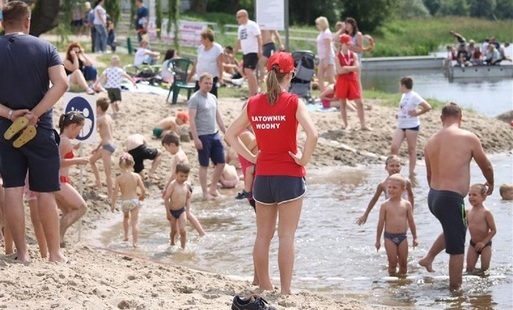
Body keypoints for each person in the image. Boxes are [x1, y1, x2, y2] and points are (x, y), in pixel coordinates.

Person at [225, 52, 318, 295]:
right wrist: (304, 159)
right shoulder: (294, 102)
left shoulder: (254, 102)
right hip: (289, 174)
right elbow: (313, 135)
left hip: (263, 177)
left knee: (262, 236)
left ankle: (265, 284)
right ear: (291, 74)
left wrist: (252, 157)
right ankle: (286, 290)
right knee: (286, 236)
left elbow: (230, 134)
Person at [0, 1, 68, 262]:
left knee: (13, 189)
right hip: (39, 129)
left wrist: (9, 114)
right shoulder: (45, 48)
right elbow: (61, 84)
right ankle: (54, 254)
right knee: (45, 192)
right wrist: (35, 113)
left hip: (6, 129)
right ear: (27, 22)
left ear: (4, 23)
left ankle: (23, 254)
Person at [419, 102, 494, 292]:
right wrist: (490, 183)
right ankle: (456, 290)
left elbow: (428, 175)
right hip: (451, 199)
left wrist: (439, 196)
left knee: (454, 229)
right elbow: (486, 165)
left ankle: (428, 258)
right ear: (460, 117)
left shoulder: (431, 141)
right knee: (457, 248)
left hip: (433, 197)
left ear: (441, 119)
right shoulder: (468, 137)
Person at [188, 72, 227, 199]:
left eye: (210, 83)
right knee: (204, 164)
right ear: (200, 83)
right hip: (202, 135)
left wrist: (226, 132)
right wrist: (196, 138)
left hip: (214, 134)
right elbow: (192, 120)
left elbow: (218, 117)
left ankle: (213, 188)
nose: (208, 85)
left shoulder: (213, 97)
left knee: (221, 162)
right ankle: (205, 192)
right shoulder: (195, 98)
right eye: (206, 83)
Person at [161, 133, 206, 237]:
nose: (167, 151)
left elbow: (174, 174)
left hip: (182, 186)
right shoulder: (181, 153)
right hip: (185, 185)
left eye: (167, 148)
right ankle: (200, 233)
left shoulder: (178, 156)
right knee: (184, 211)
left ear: (172, 145)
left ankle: (199, 233)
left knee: (179, 210)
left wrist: (167, 187)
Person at [55, 111, 89, 247]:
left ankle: (58, 240)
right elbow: (57, 162)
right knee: (81, 208)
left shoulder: (61, 139)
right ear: (74, 126)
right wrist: (78, 160)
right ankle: (57, 238)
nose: (80, 133)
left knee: (68, 211)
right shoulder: (65, 141)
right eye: (80, 128)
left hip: (60, 181)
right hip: (59, 181)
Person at [375, 174, 418, 276]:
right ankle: (392, 283)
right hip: (389, 237)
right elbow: (380, 223)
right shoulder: (385, 205)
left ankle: (402, 284)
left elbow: (411, 221)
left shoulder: (406, 204)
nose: (391, 190)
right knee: (392, 263)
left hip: (403, 237)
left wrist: (415, 237)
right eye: (389, 187)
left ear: (403, 189)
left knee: (403, 264)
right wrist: (378, 240)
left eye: (394, 187)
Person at [390, 76, 431, 177]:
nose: (399, 87)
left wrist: (417, 113)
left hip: (412, 125)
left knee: (411, 149)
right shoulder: (404, 95)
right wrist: (398, 114)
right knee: (394, 147)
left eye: (400, 85)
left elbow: (428, 107)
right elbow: (404, 108)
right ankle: (394, 169)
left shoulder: (414, 95)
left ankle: (411, 172)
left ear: (403, 85)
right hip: (401, 124)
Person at [356, 155, 414, 225]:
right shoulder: (383, 185)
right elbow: (374, 199)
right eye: (392, 166)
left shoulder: (406, 182)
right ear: (386, 168)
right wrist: (366, 214)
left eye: (397, 166)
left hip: (403, 212)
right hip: (390, 213)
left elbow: (411, 195)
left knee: (403, 233)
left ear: (401, 167)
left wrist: (411, 212)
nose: (395, 168)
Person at [334, 34, 370, 131]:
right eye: (347, 44)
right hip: (342, 81)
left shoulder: (353, 55)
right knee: (343, 103)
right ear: (342, 44)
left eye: (349, 44)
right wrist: (350, 69)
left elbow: (357, 68)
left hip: (352, 80)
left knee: (360, 103)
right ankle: (346, 124)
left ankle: (363, 125)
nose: (349, 45)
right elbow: (339, 71)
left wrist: (346, 68)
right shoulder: (337, 56)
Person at [111, 153, 146, 248]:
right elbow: (143, 189)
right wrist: (142, 196)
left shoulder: (118, 178)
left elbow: (115, 193)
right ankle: (135, 243)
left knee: (126, 217)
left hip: (124, 202)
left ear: (120, 165)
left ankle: (126, 236)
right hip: (134, 201)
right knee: (134, 222)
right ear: (133, 163)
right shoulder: (137, 176)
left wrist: (113, 204)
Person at [466, 183, 497, 273]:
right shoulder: (467, 211)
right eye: (469, 195)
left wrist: (483, 243)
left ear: (484, 197)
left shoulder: (486, 212)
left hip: (485, 245)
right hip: (473, 245)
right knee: (469, 270)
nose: (471, 197)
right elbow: (462, 225)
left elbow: (494, 230)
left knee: (484, 271)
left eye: (474, 195)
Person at [89, 98, 115, 198]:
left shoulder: (99, 120)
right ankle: (98, 182)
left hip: (107, 148)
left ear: (99, 108)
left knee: (108, 173)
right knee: (92, 160)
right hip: (108, 145)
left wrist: (78, 144)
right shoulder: (108, 117)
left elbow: (91, 133)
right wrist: (97, 147)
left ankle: (110, 195)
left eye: (96, 107)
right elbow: (106, 135)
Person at [187, 28, 224, 97]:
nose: (200, 40)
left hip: (211, 78)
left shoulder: (217, 48)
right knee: (197, 97)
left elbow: (220, 64)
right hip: (200, 77)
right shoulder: (200, 48)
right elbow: (197, 62)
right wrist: (190, 75)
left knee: (211, 97)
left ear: (207, 39)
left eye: (202, 39)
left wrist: (220, 78)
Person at [234, 9, 262, 97]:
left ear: (245, 16)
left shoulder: (252, 25)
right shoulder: (240, 28)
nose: (237, 19)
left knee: (248, 70)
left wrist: (260, 49)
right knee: (246, 72)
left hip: (253, 50)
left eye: (238, 17)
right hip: (246, 52)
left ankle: (256, 89)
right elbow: (239, 41)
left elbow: (259, 37)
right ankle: (252, 92)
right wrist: (234, 52)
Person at [163, 163, 192, 249]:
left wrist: (187, 211)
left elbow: (188, 198)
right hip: (172, 211)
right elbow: (166, 198)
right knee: (174, 231)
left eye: (186, 176)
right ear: (176, 174)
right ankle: (172, 242)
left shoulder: (187, 185)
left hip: (181, 210)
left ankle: (183, 248)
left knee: (183, 231)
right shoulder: (173, 184)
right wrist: (168, 212)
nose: (183, 178)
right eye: (181, 176)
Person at [315, 16, 335, 92]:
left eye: (318, 24)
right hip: (322, 57)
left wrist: (326, 60)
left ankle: (338, 93)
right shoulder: (322, 32)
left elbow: (328, 47)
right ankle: (323, 93)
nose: (317, 25)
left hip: (327, 57)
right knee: (320, 75)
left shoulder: (327, 33)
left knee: (330, 77)